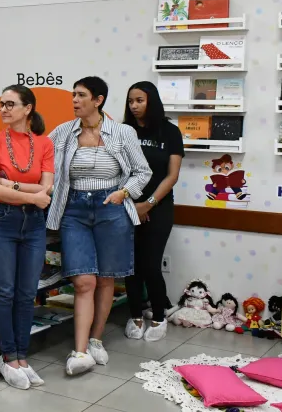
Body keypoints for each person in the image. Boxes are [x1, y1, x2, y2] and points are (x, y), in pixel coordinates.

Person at [46, 76, 152, 376]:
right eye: (73, 96)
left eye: (81, 95)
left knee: (106, 279)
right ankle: (79, 351)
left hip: (111, 206)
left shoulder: (121, 132)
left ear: (99, 100)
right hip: (74, 209)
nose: (75, 101)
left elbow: (143, 172)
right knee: (83, 281)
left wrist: (124, 192)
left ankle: (95, 340)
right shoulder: (64, 132)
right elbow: (40, 154)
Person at [0, 85, 54, 390]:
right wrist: (29, 192)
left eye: (11, 104)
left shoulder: (44, 144)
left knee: (26, 293)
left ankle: (23, 355)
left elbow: (47, 189)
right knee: (4, 292)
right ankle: (8, 355)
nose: (4, 109)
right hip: (1, 221)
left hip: (34, 224)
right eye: (1, 104)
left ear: (28, 109)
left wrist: (13, 185)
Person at [122, 81, 183, 342]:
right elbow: (118, 170)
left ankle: (159, 313)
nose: (134, 106)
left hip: (158, 206)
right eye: (131, 101)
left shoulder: (169, 132)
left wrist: (148, 204)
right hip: (128, 203)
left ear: (152, 101)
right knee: (130, 265)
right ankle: (135, 313)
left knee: (150, 264)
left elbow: (172, 176)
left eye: (140, 100)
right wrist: (133, 203)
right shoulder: (124, 131)